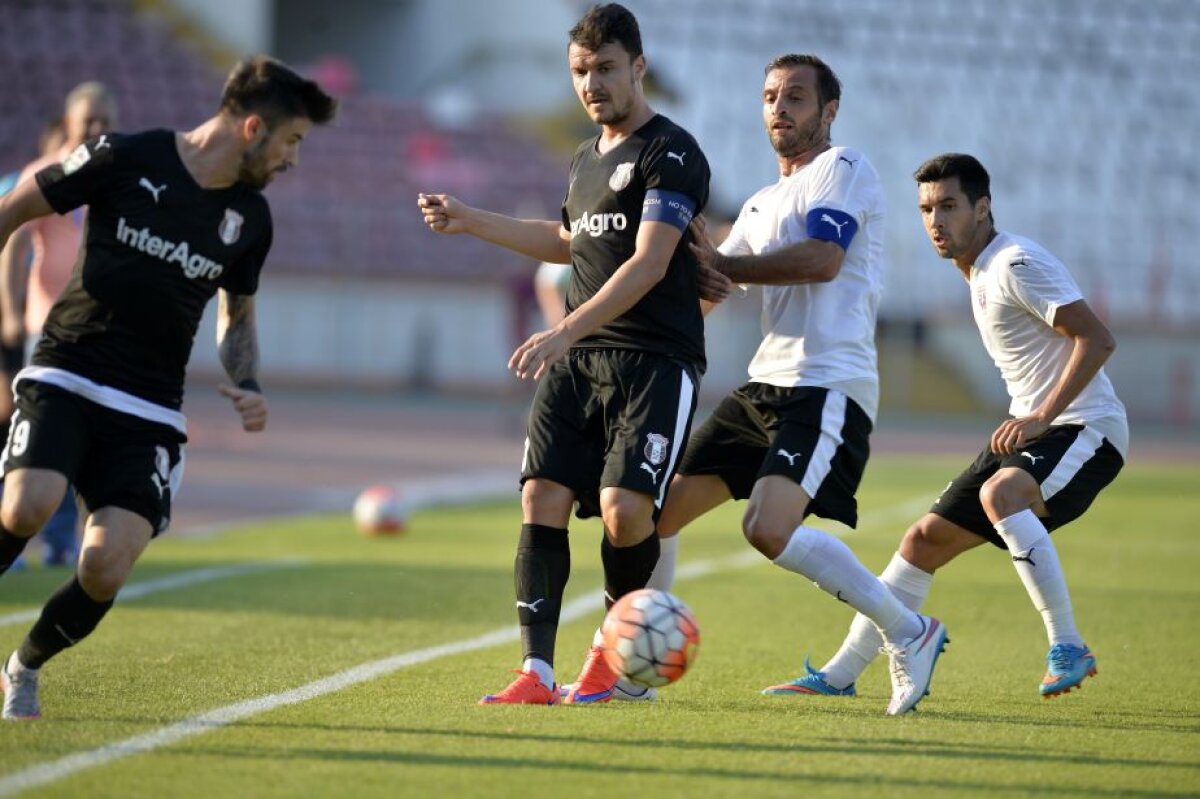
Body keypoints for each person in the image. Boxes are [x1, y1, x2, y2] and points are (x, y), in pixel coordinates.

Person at [0, 56, 337, 720]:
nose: (293, 159)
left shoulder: (250, 219)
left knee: (104, 566)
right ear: (251, 128)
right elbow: (15, 206)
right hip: (67, 368)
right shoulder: (123, 156)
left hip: (148, 407)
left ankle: (25, 663)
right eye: (291, 140)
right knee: (26, 504)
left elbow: (236, 318)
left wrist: (246, 378)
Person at [418, 3, 724, 705]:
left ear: (638, 68)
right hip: (579, 362)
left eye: (606, 69)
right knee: (540, 494)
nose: (592, 84)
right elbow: (567, 242)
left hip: (654, 359)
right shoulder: (586, 158)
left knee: (624, 511)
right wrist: (471, 221)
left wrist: (563, 328)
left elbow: (648, 264)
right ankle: (536, 671)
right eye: (581, 72)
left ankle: (612, 658)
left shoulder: (672, 152)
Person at [640, 53, 948, 716]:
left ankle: (909, 629)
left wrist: (719, 259)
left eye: (797, 97)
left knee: (766, 527)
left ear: (828, 111)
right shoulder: (759, 203)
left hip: (826, 385)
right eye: (771, 95)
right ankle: (641, 662)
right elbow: (716, 286)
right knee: (652, 513)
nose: (780, 107)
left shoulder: (845, 169)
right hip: (763, 388)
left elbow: (822, 259)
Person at [774, 153, 1126, 701]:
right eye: (926, 208)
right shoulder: (978, 270)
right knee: (921, 541)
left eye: (949, 206)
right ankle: (840, 676)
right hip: (1033, 428)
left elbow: (1097, 338)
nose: (936, 220)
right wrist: (1029, 419)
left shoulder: (1013, 263)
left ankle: (1068, 644)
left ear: (982, 208)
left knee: (1002, 493)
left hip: (1086, 429)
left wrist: (1039, 417)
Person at [1, 84, 120, 568]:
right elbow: (12, 242)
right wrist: (9, 310)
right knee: (33, 435)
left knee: (86, 439)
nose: (95, 130)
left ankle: (60, 540)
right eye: (87, 121)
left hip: (103, 334)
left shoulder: (120, 176)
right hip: (47, 332)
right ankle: (15, 531)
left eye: (103, 121)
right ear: (69, 123)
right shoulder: (46, 174)